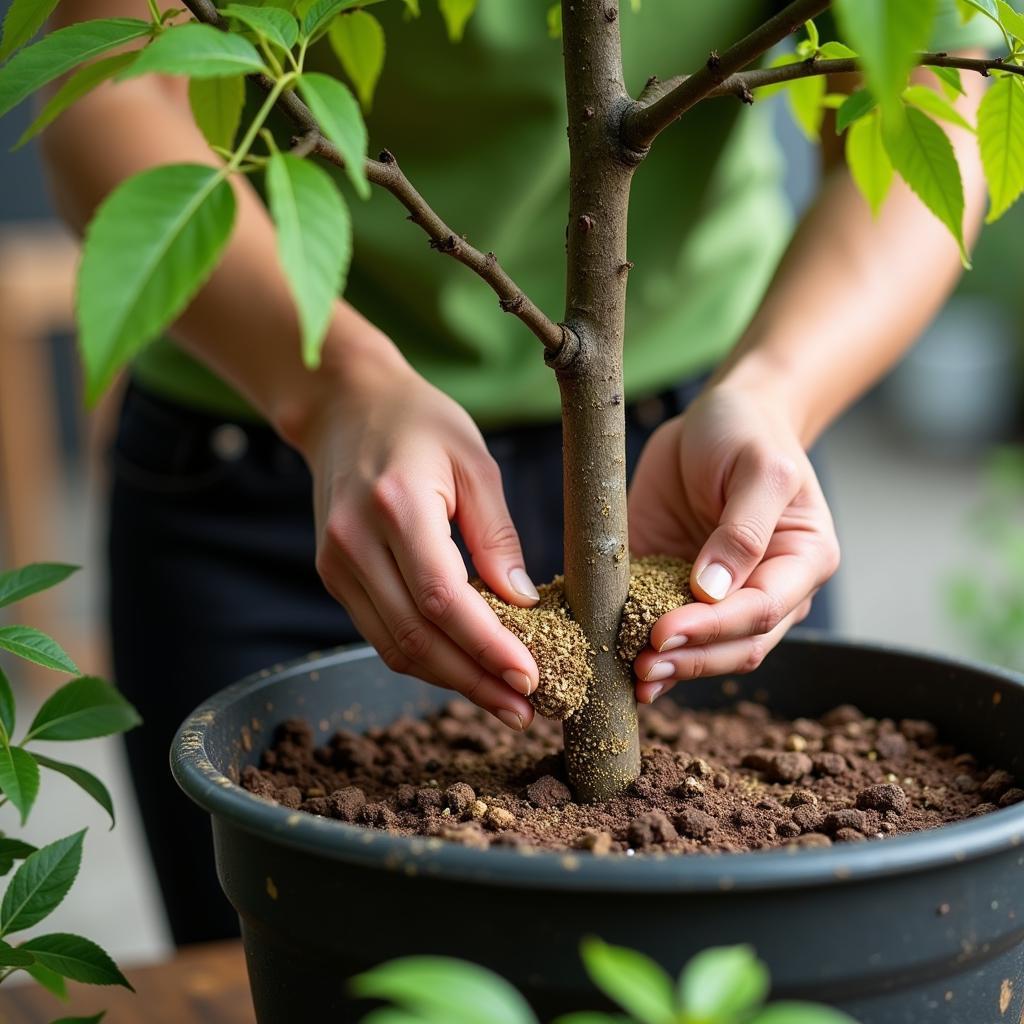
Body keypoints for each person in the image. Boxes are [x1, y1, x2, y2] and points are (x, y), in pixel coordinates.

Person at [41, 0, 992, 943]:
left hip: (691, 452)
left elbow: (933, 95)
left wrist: (776, 391)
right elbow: (112, 89)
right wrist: (332, 389)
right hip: (269, 434)